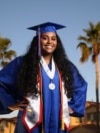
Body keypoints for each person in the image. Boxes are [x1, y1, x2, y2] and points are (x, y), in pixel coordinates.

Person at [0, 22, 87, 133]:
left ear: (57, 42)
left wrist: (73, 107)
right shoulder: (23, 63)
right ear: (38, 41)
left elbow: (81, 86)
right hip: (31, 122)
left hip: (58, 121)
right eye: (45, 38)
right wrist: (9, 104)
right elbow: (1, 81)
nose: (50, 42)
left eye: (53, 39)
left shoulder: (65, 66)